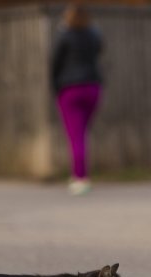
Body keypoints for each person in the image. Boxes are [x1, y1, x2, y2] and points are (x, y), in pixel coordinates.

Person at [51, 4, 103, 195]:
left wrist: (56, 88)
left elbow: (55, 64)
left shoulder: (64, 36)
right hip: (93, 88)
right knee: (82, 134)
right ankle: (79, 175)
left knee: (76, 135)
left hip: (70, 89)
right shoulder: (93, 35)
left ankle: (80, 178)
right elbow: (99, 50)